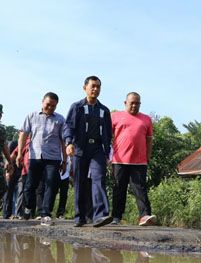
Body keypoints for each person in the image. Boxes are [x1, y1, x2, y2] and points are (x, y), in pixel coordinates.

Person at [65, 75, 113, 228]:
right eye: (92, 86)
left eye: (98, 86)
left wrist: (107, 153)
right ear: (85, 87)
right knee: (80, 182)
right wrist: (68, 143)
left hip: (98, 150)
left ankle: (100, 215)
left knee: (99, 179)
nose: (95, 89)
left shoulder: (104, 110)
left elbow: (108, 133)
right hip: (80, 148)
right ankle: (80, 217)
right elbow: (69, 127)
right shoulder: (77, 107)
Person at [17, 92, 68, 227]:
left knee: (51, 184)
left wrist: (64, 160)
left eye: (53, 106)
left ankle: (45, 214)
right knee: (30, 186)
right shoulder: (32, 116)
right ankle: (28, 208)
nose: (50, 108)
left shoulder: (60, 120)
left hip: (53, 158)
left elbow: (63, 141)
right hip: (35, 156)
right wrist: (19, 154)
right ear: (42, 102)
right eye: (48, 105)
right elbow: (23, 135)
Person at [111, 92, 156, 226]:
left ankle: (144, 216)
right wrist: (108, 156)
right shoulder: (115, 116)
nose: (134, 106)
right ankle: (116, 217)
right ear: (125, 103)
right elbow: (107, 137)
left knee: (140, 188)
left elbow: (149, 140)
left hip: (139, 161)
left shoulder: (146, 119)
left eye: (137, 103)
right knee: (119, 188)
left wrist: (148, 157)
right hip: (119, 160)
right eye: (132, 103)